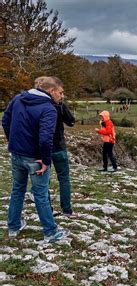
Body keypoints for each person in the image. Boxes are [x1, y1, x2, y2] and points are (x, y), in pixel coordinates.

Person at [2, 76, 69, 242]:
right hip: (35, 158)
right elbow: (46, 138)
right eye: (60, 93)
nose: (62, 97)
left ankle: (14, 226)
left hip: (17, 154)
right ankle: (51, 232)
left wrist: (14, 142)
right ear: (51, 90)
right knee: (40, 194)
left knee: (17, 189)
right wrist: (45, 160)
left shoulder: (18, 98)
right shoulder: (49, 108)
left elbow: (5, 120)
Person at [50, 85, 75, 216]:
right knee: (64, 179)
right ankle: (67, 209)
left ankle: (47, 210)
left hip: (42, 148)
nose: (62, 96)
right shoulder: (59, 106)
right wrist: (62, 105)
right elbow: (71, 121)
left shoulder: (37, 106)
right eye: (61, 93)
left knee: (44, 181)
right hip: (59, 146)